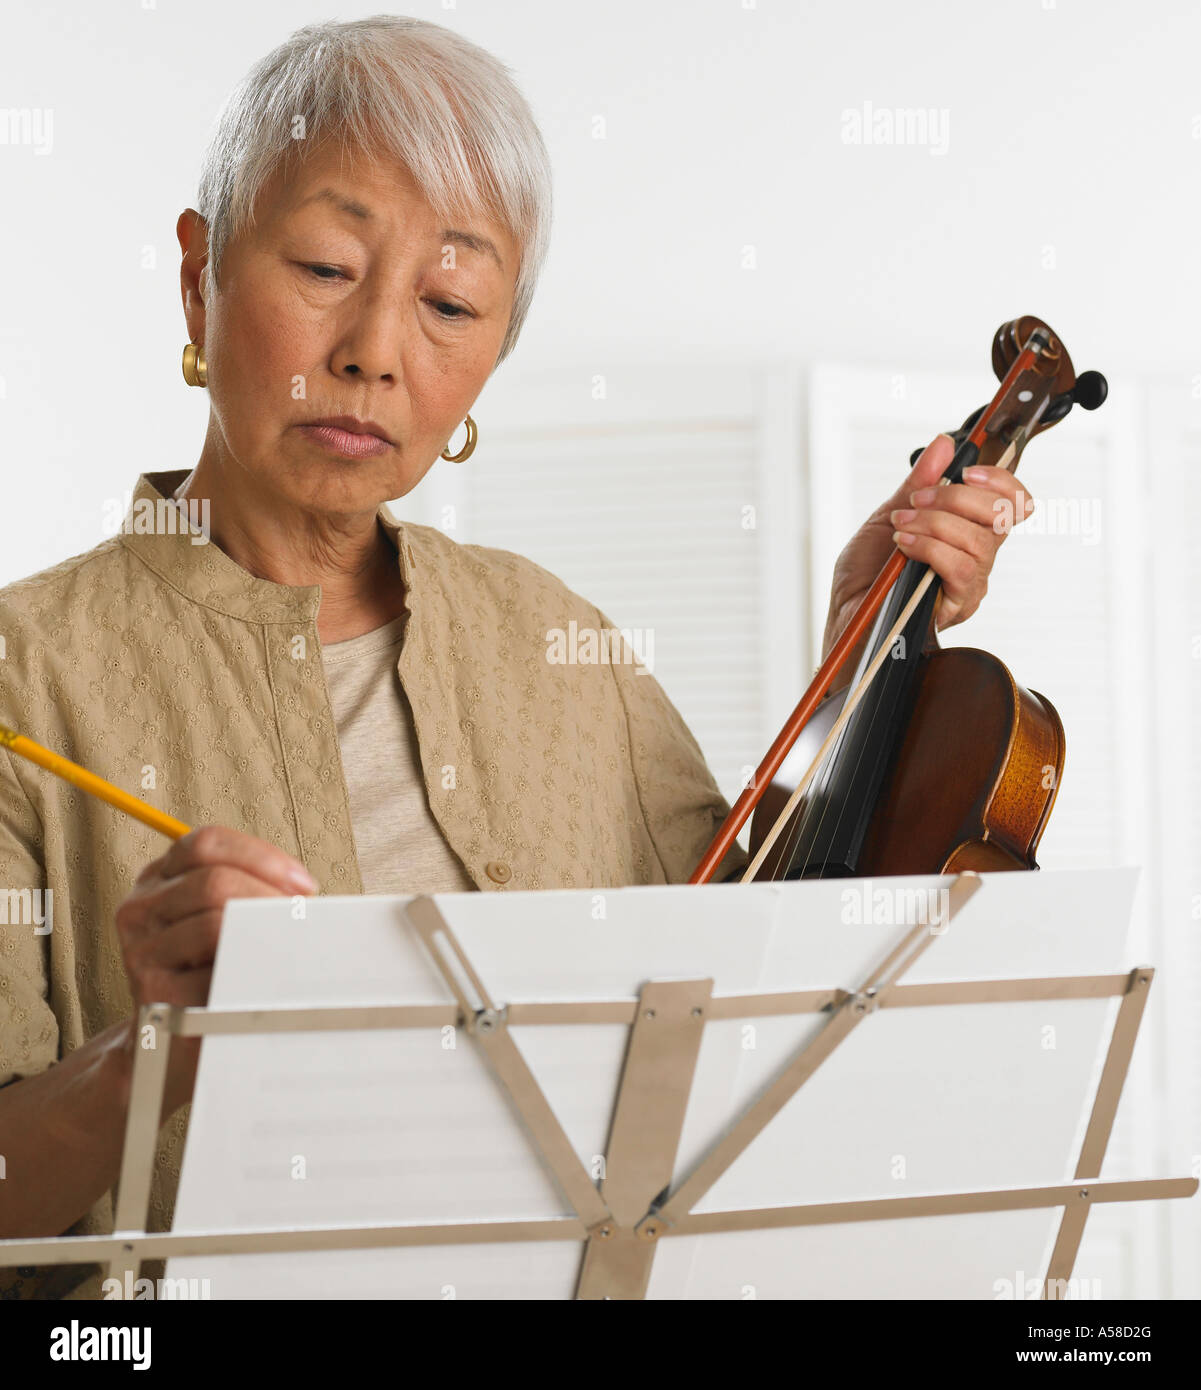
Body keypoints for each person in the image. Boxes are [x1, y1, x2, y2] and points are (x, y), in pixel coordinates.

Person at [0, 16, 1033, 1299]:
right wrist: (147, 1051)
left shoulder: (560, 644)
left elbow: (744, 986)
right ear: (197, 274)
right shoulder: (20, 675)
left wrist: (855, 654)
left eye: (447, 303)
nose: (375, 350)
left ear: (492, 356)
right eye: (325, 265)